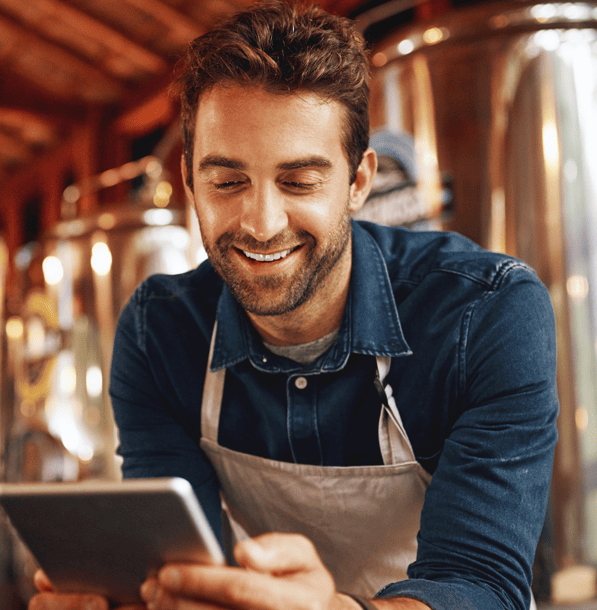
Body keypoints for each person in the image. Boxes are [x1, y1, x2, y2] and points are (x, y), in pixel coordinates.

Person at [30, 2, 558, 609]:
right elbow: (186, 567)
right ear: (189, 180)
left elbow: (481, 585)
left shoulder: (484, 314)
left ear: (359, 181)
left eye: (300, 181)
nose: (261, 223)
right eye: (227, 182)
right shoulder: (161, 332)